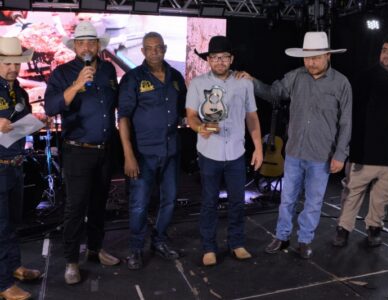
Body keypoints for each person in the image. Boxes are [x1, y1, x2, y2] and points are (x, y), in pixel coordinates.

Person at [237, 31, 352, 258]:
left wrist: (341, 154)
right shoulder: (295, 76)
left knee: (313, 201)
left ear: (328, 56)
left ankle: (304, 240)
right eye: (307, 57)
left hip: (322, 155)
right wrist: (253, 82)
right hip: (294, 153)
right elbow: (273, 93)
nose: (310, 62)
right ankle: (281, 236)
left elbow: (346, 122)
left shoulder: (341, 83)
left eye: (316, 57)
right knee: (287, 199)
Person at [44, 21, 120, 285]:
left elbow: (115, 106)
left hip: (105, 149)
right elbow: (52, 106)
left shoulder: (109, 69)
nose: (86, 46)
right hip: (78, 151)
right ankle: (71, 261)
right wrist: (76, 85)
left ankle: (96, 249)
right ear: (75, 46)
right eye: (81, 42)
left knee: (100, 204)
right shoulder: (63, 73)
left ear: (98, 46)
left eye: (91, 42)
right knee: (75, 208)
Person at [186, 36, 263, 266]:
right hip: (209, 152)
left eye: (224, 57)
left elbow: (252, 118)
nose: (220, 61)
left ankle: (237, 243)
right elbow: (190, 115)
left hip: (237, 153)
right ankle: (209, 247)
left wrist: (258, 148)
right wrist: (201, 127)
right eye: (215, 58)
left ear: (231, 59)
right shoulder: (198, 84)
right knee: (209, 201)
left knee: (238, 201)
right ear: (208, 60)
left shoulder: (244, 83)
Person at [118, 32, 186, 270]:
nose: (155, 52)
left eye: (158, 47)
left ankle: (159, 240)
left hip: (171, 151)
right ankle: (136, 248)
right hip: (143, 154)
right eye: (150, 48)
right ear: (143, 51)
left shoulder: (176, 77)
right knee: (139, 204)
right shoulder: (132, 78)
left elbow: (186, 111)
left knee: (169, 200)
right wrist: (128, 155)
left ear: (165, 49)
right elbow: (123, 118)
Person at [332, 32, 388, 248]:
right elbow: (349, 115)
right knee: (351, 193)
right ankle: (343, 229)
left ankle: (374, 228)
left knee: (382, 197)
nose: (386, 55)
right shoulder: (365, 78)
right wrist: (350, 149)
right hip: (363, 151)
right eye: (384, 50)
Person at [0, 37, 41, 300]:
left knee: (13, 223)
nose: (12, 67)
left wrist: (36, 122)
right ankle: (3, 285)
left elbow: (21, 123)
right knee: (0, 227)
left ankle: (14, 268)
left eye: (16, 62)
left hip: (15, 165)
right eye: (6, 63)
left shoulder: (21, 92)